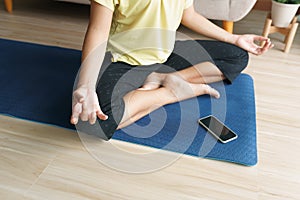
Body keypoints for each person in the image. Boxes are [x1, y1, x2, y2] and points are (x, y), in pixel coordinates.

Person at [70, 0, 273, 140]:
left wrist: (234, 38)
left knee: (236, 55)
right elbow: (98, 31)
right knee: (94, 122)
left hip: (164, 54)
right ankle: (172, 92)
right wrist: (85, 85)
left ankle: (164, 77)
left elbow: (189, 15)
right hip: (122, 60)